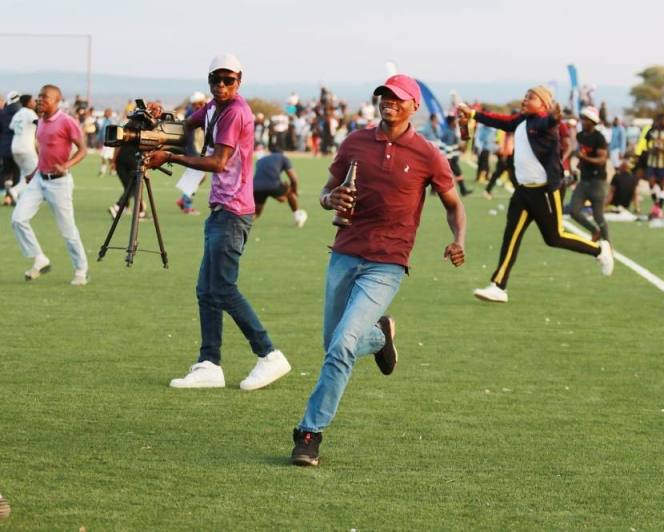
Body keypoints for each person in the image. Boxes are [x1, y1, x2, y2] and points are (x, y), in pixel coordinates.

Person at [291, 74, 466, 467]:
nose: (389, 102)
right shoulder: (355, 142)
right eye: (384, 96)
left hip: (387, 262)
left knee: (341, 347)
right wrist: (329, 198)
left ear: (413, 106)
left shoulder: (428, 154)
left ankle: (309, 432)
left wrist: (459, 241)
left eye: (398, 98)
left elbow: (454, 204)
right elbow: (326, 191)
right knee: (333, 344)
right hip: (344, 253)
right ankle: (381, 335)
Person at [145, 54, 291, 390]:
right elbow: (183, 126)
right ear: (210, 80)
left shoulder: (236, 112)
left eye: (229, 80)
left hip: (234, 210)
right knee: (206, 289)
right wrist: (157, 119)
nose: (222, 86)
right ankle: (209, 363)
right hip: (222, 209)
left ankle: (269, 354)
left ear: (240, 81)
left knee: (221, 287)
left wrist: (169, 156)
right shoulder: (212, 108)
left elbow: (219, 162)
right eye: (217, 80)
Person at [460, 86, 614, 304]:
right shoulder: (520, 120)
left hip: (545, 192)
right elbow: (498, 120)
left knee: (554, 237)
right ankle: (498, 286)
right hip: (523, 191)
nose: (525, 99)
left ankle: (599, 249)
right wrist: (473, 113)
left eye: (531, 97)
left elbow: (549, 123)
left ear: (543, 104)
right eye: (525, 95)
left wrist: (554, 117)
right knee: (510, 237)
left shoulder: (543, 123)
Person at [10, 84, 89, 286]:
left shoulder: (67, 122)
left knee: (68, 230)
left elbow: (82, 150)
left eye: (44, 97)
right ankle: (39, 258)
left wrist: (67, 165)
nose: (39, 100)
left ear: (56, 100)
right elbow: (45, 152)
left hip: (60, 183)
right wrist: (34, 172)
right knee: (18, 219)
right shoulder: (41, 122)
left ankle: (81, 270)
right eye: (39, 96)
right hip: (39, 180)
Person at [570, 106, 610, 242]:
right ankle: (594, 230)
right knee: (573, 211)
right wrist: (578, 166)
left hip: (598, 182)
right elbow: (582, 155)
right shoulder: (580, 136)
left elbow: (602, 160)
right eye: (582, 118)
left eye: (585, 119)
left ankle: (608, 244)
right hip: (584, 180)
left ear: (592, 121)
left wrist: (584, 158)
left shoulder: (599, 138)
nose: (582, 121)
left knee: (598, 216)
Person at [252, 146, 308, 226]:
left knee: (256, 213)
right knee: (290, 194)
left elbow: (264, 175)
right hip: (273, 185)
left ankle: (240, 225)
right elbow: (294, 178)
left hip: (256, 187)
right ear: (282, 153)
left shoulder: (260, 160)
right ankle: (298, 216)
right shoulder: (283, 158)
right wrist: (294, 191)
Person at [7, 95, 38, 203]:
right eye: (33, 101)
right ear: (28, 103)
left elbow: (11, 126)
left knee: (24, 175)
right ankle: (15, 191)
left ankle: (21, 196)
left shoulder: (18, 114)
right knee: (36, 173)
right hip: (26, 148)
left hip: (15, 147)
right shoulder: (30, 113)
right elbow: (38, 123)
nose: (35, 103)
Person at [644, 113, 664, 221]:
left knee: (662, 187)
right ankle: (656, 204)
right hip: (652, 162)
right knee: (651, 184)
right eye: (663, 120)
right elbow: (646, 143)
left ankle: (659, 209)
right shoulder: (651, 131)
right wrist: (650, 150)